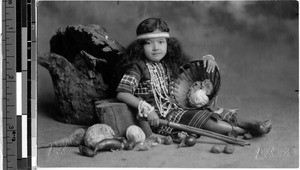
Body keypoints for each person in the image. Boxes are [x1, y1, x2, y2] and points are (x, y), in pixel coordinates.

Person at [115, 18, 271, 138]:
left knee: (218, 111)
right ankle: (241, 130)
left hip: (179, 107)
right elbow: (122, 93)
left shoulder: (169, 63)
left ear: (168, 44)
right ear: (140, 47)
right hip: (161, 116)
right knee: (203, 119)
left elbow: (190, 70)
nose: (156, 48)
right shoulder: (137, 68)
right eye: (149, 43)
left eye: (161, 42)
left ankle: (254, 125)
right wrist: (146, 109)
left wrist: (209, 58)